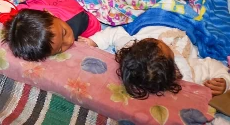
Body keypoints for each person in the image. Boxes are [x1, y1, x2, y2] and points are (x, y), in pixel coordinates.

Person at [80, 26, 230, 98]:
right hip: (186, 27)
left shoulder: (130, 46)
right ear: (174, 67)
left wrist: (94, 41)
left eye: (148, 42)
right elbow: (214, 66)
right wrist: (224, 82)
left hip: (151, 20)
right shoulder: (187, 71)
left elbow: (114, 33)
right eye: (159, 44)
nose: (156, 40)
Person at [0, 0, 101, 61]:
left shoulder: (78, 18)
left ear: (50, 13)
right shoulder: (21, 13)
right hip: (40, 2)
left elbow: (95, 26)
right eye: (60, 49)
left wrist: (91, 40)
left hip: (63, 1)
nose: (69, 41)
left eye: (64, 33)